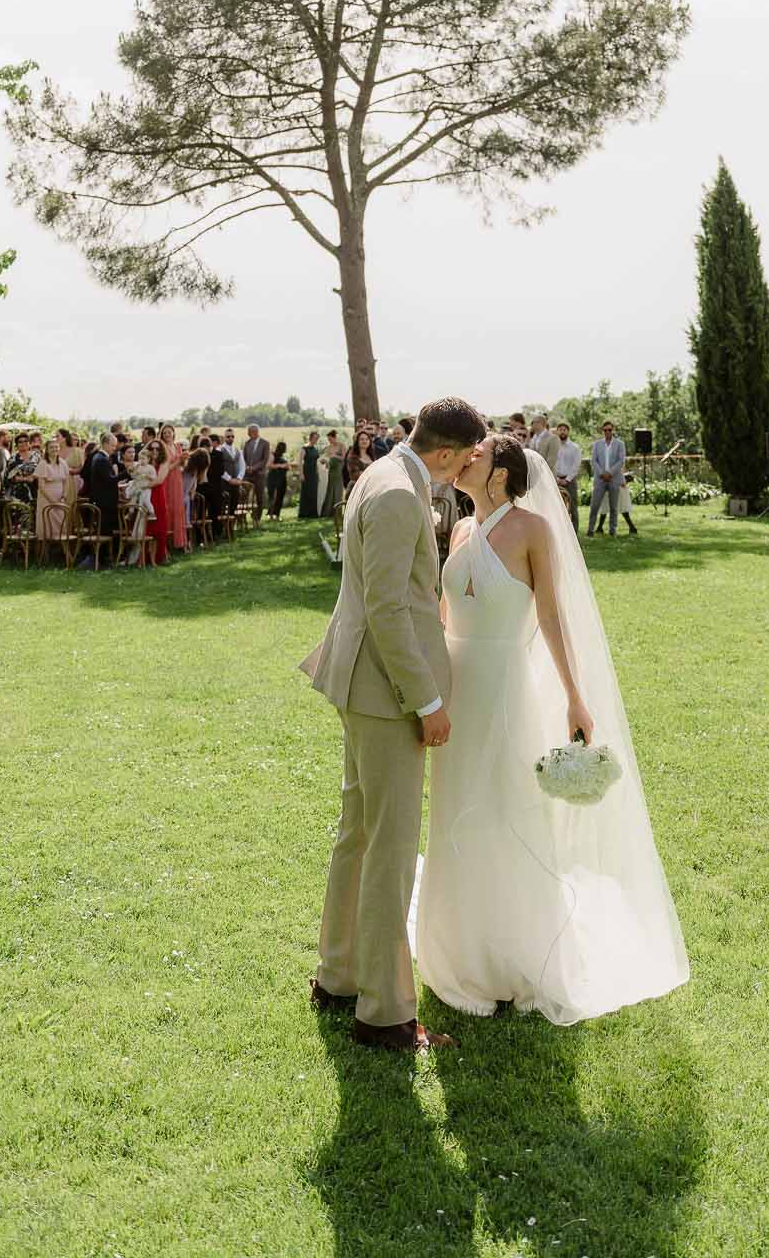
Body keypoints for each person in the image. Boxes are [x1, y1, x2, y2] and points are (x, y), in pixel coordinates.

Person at [415, 435, 688, 1023]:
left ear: (501, 472)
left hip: (504, 687)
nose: (464, 459)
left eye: (477, 453)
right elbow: (443, 614)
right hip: (457, 691)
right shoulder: (460, 530)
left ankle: (517, 954)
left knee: (507, 809)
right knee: (457, 805)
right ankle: (462, 948)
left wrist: (575, 698)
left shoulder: (534, 528)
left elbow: (551, 615)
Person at [302, 396, 487, 1052]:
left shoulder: (388, 476)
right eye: (464, 458)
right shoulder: (396, 495)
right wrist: (427, 701)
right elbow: (385, 608)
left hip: (368, 687)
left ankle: (338, 974)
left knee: (358, 834)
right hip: (385, 694)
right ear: (442, 453)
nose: (467, 468)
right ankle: (383, 1014)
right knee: (387, 848)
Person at [82, 434, 120, 566]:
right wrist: (126, 473)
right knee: (104, 530)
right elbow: (109, 480)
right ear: (105, 444)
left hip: (101, 500)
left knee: (105, 530)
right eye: (113, 445)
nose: (114, 449)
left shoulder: (98, 457)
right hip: (104, 502)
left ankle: (102, 559)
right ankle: (102, 560)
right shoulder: (101, 459)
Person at [34, 437, 71, 558]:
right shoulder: (43, 463)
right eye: (51, 447)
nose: (54, 449)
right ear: (47, 450)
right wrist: (52, 501)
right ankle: (44, 556)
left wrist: (64, 496)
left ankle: (64, 554)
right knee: (46, 525)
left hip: (60, 498)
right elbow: (41, 486)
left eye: (56, 447)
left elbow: (66, 482)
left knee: (61, 525)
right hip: (46, 499)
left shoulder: (63, 463)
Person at [588, 421, 626, 538]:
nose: (607, 432)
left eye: (609, 430)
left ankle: (612, 530)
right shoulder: (597, 444)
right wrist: (601, 473)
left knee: (613, 507)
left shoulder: (620, 444)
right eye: (605, 430)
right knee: (594, 506)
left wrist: (610, 473)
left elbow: (621, 460)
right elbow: (593, 461)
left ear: (613, 430)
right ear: (602, 431)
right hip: (600, 479)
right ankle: (590, 530)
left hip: (614, 478)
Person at [159, 423, 188, 552]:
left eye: (169, 432)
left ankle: (180, 542)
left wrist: (184, 460)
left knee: (178, 509)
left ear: (173, 433)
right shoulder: (162, 448)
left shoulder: (177, 446)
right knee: (168, 508)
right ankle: (168, 544)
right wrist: (178, 461)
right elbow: (165, 469)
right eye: (164, 433)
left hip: (177, 479)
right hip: (166, 479)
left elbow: (182, 466)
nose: (167, 435)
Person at [554, 421, 582, 531]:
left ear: (568, 431)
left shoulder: (575, 447)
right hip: (556, 480)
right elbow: (551, 463)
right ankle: (560, 532)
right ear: (557, 431)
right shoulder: (554, 447)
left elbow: (576, 465)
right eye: (560, 429)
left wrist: (567, 479)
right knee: (557, 507)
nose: (562, 431)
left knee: (573, 507)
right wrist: (556, 479)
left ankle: (574, 532)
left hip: (570, 481)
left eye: (564, 429)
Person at [243, 425, 271, 509]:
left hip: (259, 474)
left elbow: (264, 460)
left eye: (250, 432)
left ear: (255, 432)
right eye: (248, 432)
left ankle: (257, 518)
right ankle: (241, 515)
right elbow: (244, 458)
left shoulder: (265, 443)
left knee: (259, 497)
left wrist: (253, 468)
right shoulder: (247, 443)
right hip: (247, 474)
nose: (248, 434)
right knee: (243, 494)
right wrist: (246, 467)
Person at [319, 430, 345, 518]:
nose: (330, 441)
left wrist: (335, 456)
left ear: (335, 437)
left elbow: (344, 458)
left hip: (339, 470)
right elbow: (327, 460)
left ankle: (337, 513)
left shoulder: (341, 445)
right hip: (331, 471)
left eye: (331, 439)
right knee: (330, 490)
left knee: (338, 491)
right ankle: (328, 512)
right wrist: (324, 461)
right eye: (328, 439)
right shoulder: (328, 447)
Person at [298, 430, 321, 519]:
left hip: (314, 473)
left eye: (317, 438)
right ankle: (304, 513)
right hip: (306, 472)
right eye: (315, 438)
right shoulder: (304, 448)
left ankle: (312, 513)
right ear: (310, 438)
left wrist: (318, 474)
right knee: (306, 492)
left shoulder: (315, 449)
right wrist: (301, 474)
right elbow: (300, 462)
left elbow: (316, 462)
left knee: (313, 492)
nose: (316, 440)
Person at [344, 425, 376, 490]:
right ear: (357, 442)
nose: (365, 441)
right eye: (362, 439)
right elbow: (355, 476)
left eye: (367, 439)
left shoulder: (371, 456)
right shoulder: (352, 457)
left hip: (370, 488)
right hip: (356, 489)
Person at [266, 441, 291, 519]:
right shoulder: (272, 455)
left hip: (282, 479)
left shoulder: (283, 457)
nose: (285, 449)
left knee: (280, 497)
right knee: (273, 497)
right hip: (273, 479)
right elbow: (269, 465)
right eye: (284, 447)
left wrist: (287, 467)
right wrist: (281, 465)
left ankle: (277, 515)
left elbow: (288, 467)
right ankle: (271, 515)